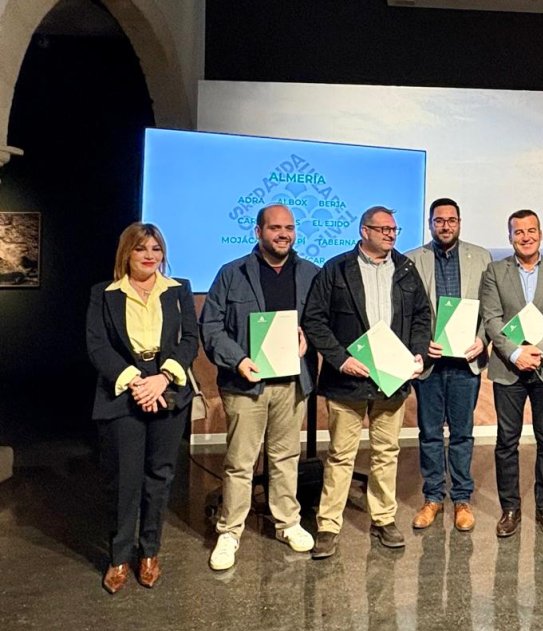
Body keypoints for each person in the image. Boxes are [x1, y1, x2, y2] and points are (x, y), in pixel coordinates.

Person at [301, 205, 430, 559]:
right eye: (383, 229)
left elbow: (422, 316)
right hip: (348, 381)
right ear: (364, 231)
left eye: (394, 229)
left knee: (386, 453)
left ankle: (384, 519)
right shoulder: (337, 269)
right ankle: (328, 525)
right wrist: (341, 360)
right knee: (341, 454)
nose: (390, 234)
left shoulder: (405, 269)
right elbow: (314, 320)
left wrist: (418, 353)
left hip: (392, 380)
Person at [200, 204, 320, 570]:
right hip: (245, 384)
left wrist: (308, 340)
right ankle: (230, 530)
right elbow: (212, 327)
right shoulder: (231, 273)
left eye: (289, 227)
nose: (283, 234)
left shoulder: (312, 274)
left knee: (286, 457)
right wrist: (237, 359)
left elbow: (322, 322)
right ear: (258, 232)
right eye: (275, 228)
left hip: (291, 384)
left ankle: (287, 522)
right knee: (240, 462)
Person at [86, 222, 198, 593]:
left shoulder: (178, 290)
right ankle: (118, 557)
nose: (150, 255)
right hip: (124, 391)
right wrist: (137, 382)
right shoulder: (104, 294)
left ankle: (149, 552)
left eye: (155, 249)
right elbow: (98, 346)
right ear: (126, 253)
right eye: (141, 249)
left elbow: (190, 341)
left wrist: (162, 379)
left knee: (159, 476)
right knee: (124, 479)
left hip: (167, 387)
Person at [478, 209, 543, 538]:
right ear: (510, 237)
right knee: (506, 442)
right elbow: (491, 318)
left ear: (540, 234)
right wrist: (516, 353)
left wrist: (540, 352)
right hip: (508, 369)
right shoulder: (494, 271)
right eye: (519, 232)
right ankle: (510, 509)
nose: (526, 236)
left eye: (531, 231)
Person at [406, 198, 493, 533]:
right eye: (439, 220)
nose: (445, 226)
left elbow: (491, 307)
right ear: (430, 223)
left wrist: (483, 340)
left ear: (460, 222)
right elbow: (410, 312)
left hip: (465, 362)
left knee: (462, 434)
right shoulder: (414, 260)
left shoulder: (481, 257)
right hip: (431, 361)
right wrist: (419, 345)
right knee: (429, 434)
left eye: (451, 220)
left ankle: (461, 499)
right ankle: (432, 498)